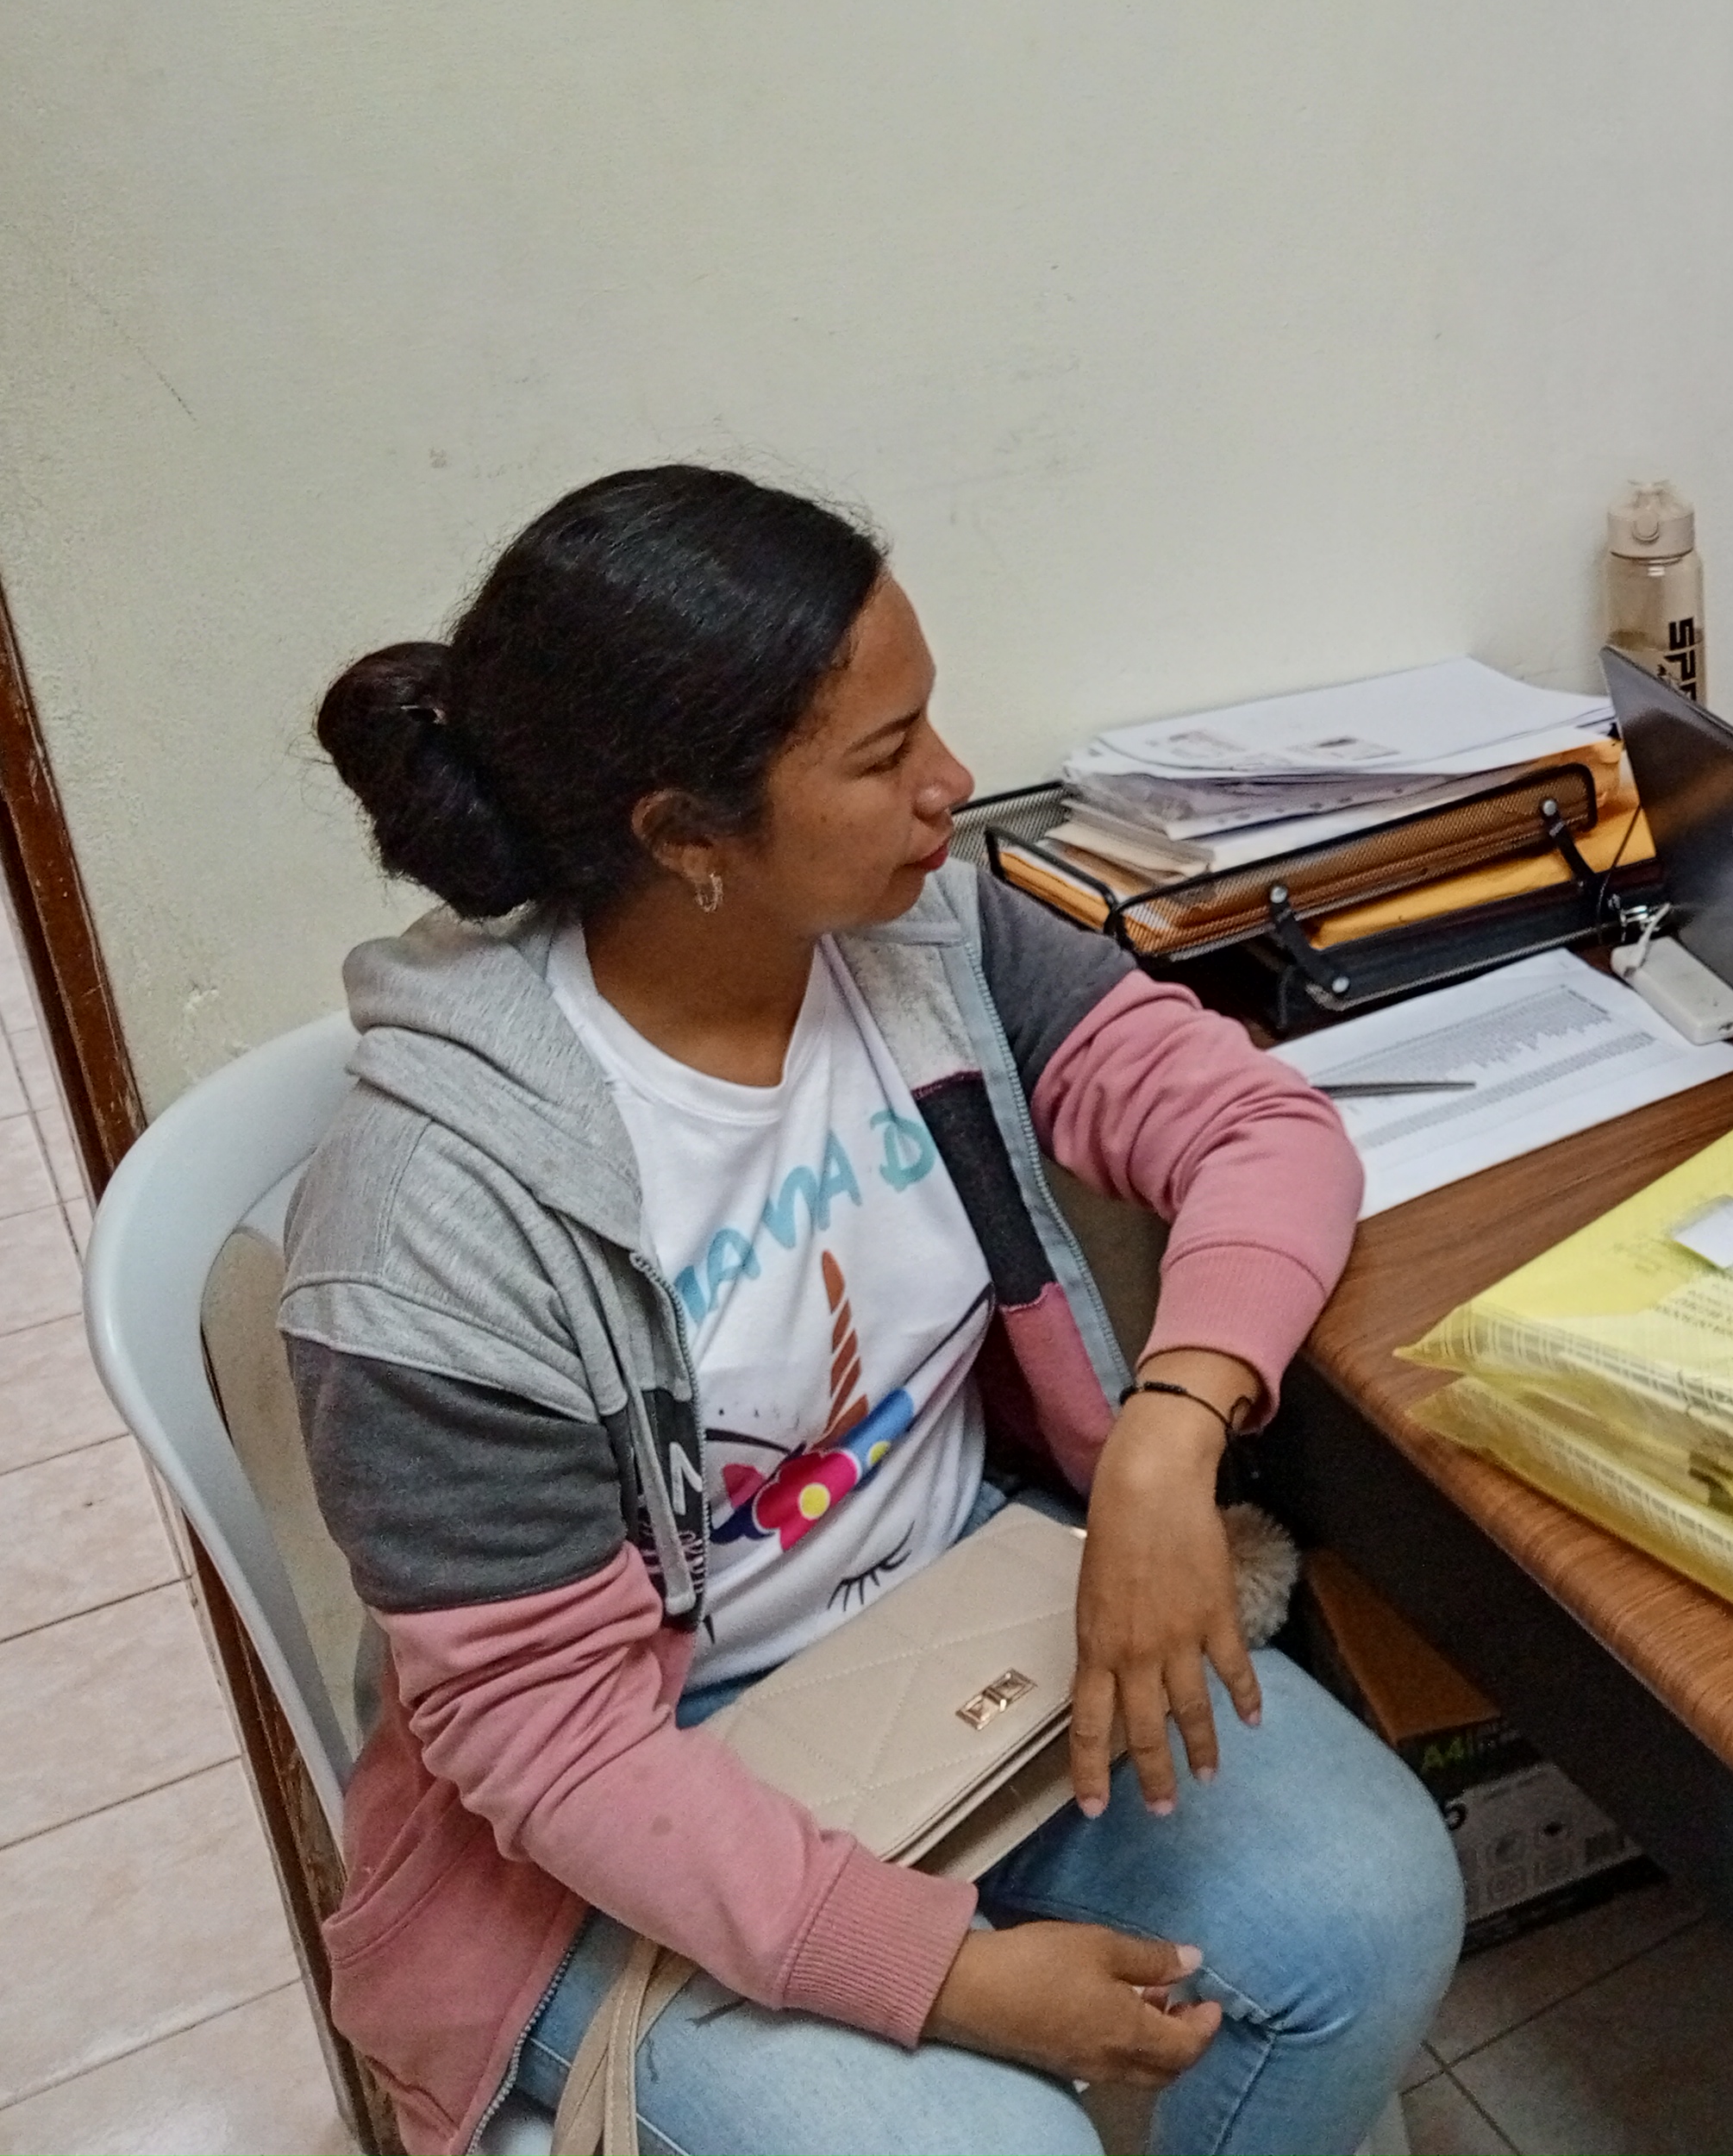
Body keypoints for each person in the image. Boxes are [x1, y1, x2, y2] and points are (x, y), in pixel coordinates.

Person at [283, 467, 1461, 2156]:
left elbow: (1256, 1127)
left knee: (1368, 1912)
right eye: (882, 752)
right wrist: (951, 1978)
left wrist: (1167, 1434)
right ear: (684, 834)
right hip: (633, 1780)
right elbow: (551, 1743)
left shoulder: (932, 945)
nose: (952, 782)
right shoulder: (433, 1214)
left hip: (947, 1620)